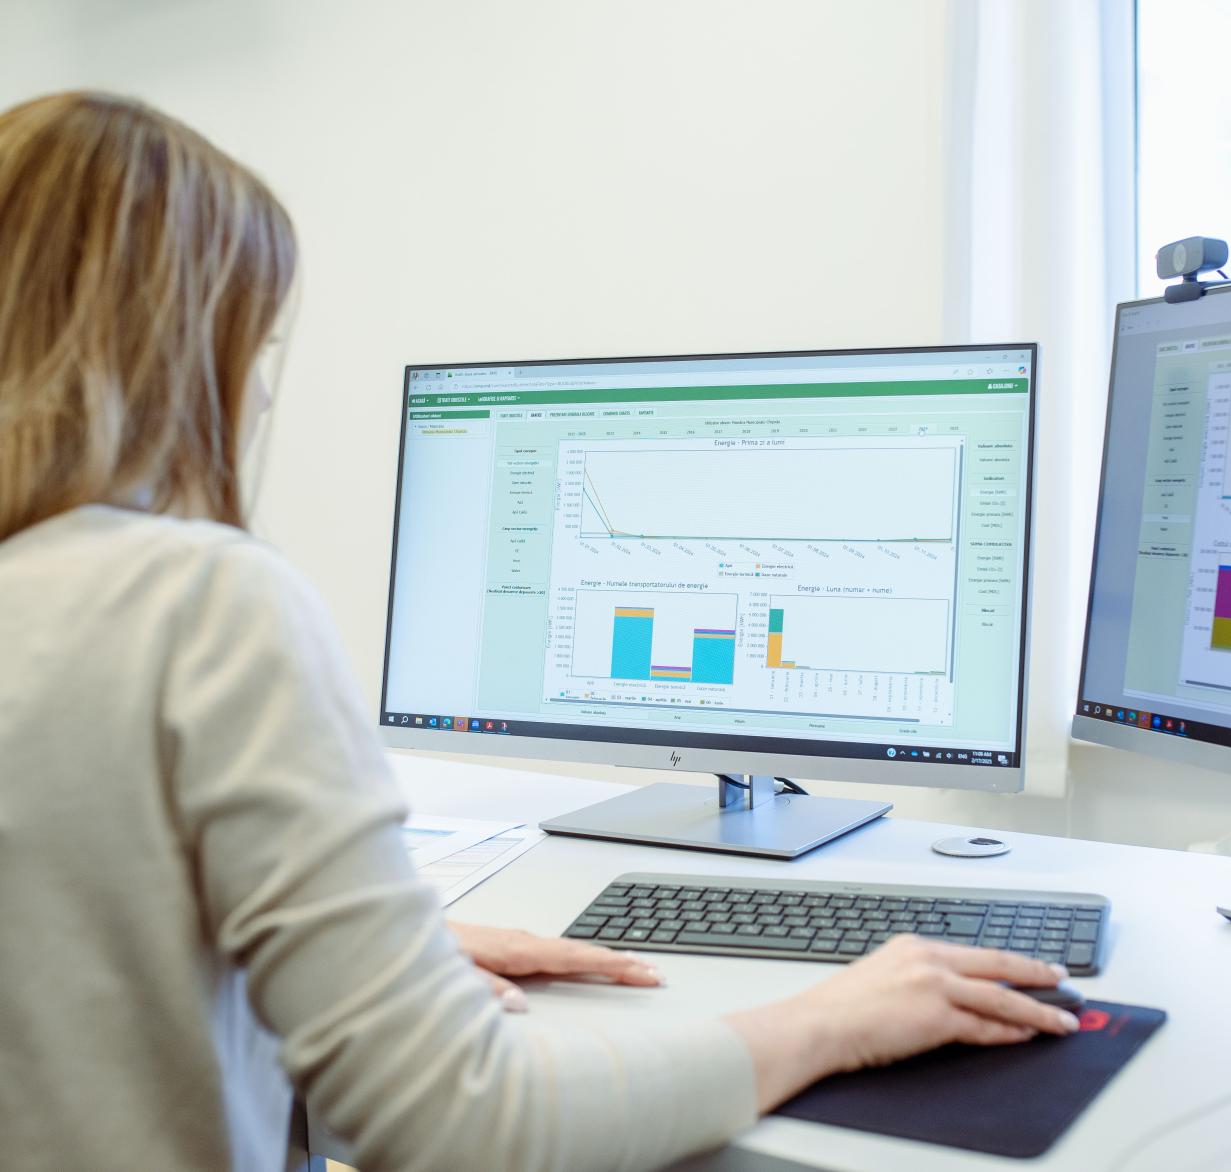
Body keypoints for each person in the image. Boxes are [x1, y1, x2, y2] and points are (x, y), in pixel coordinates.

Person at [0, 91, 1079, 1172]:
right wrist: (833, 1019)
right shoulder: (195, 600)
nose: (263, 391)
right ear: (183, 352)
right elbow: (468, 1125)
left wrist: (363, 957)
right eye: (254, 341)